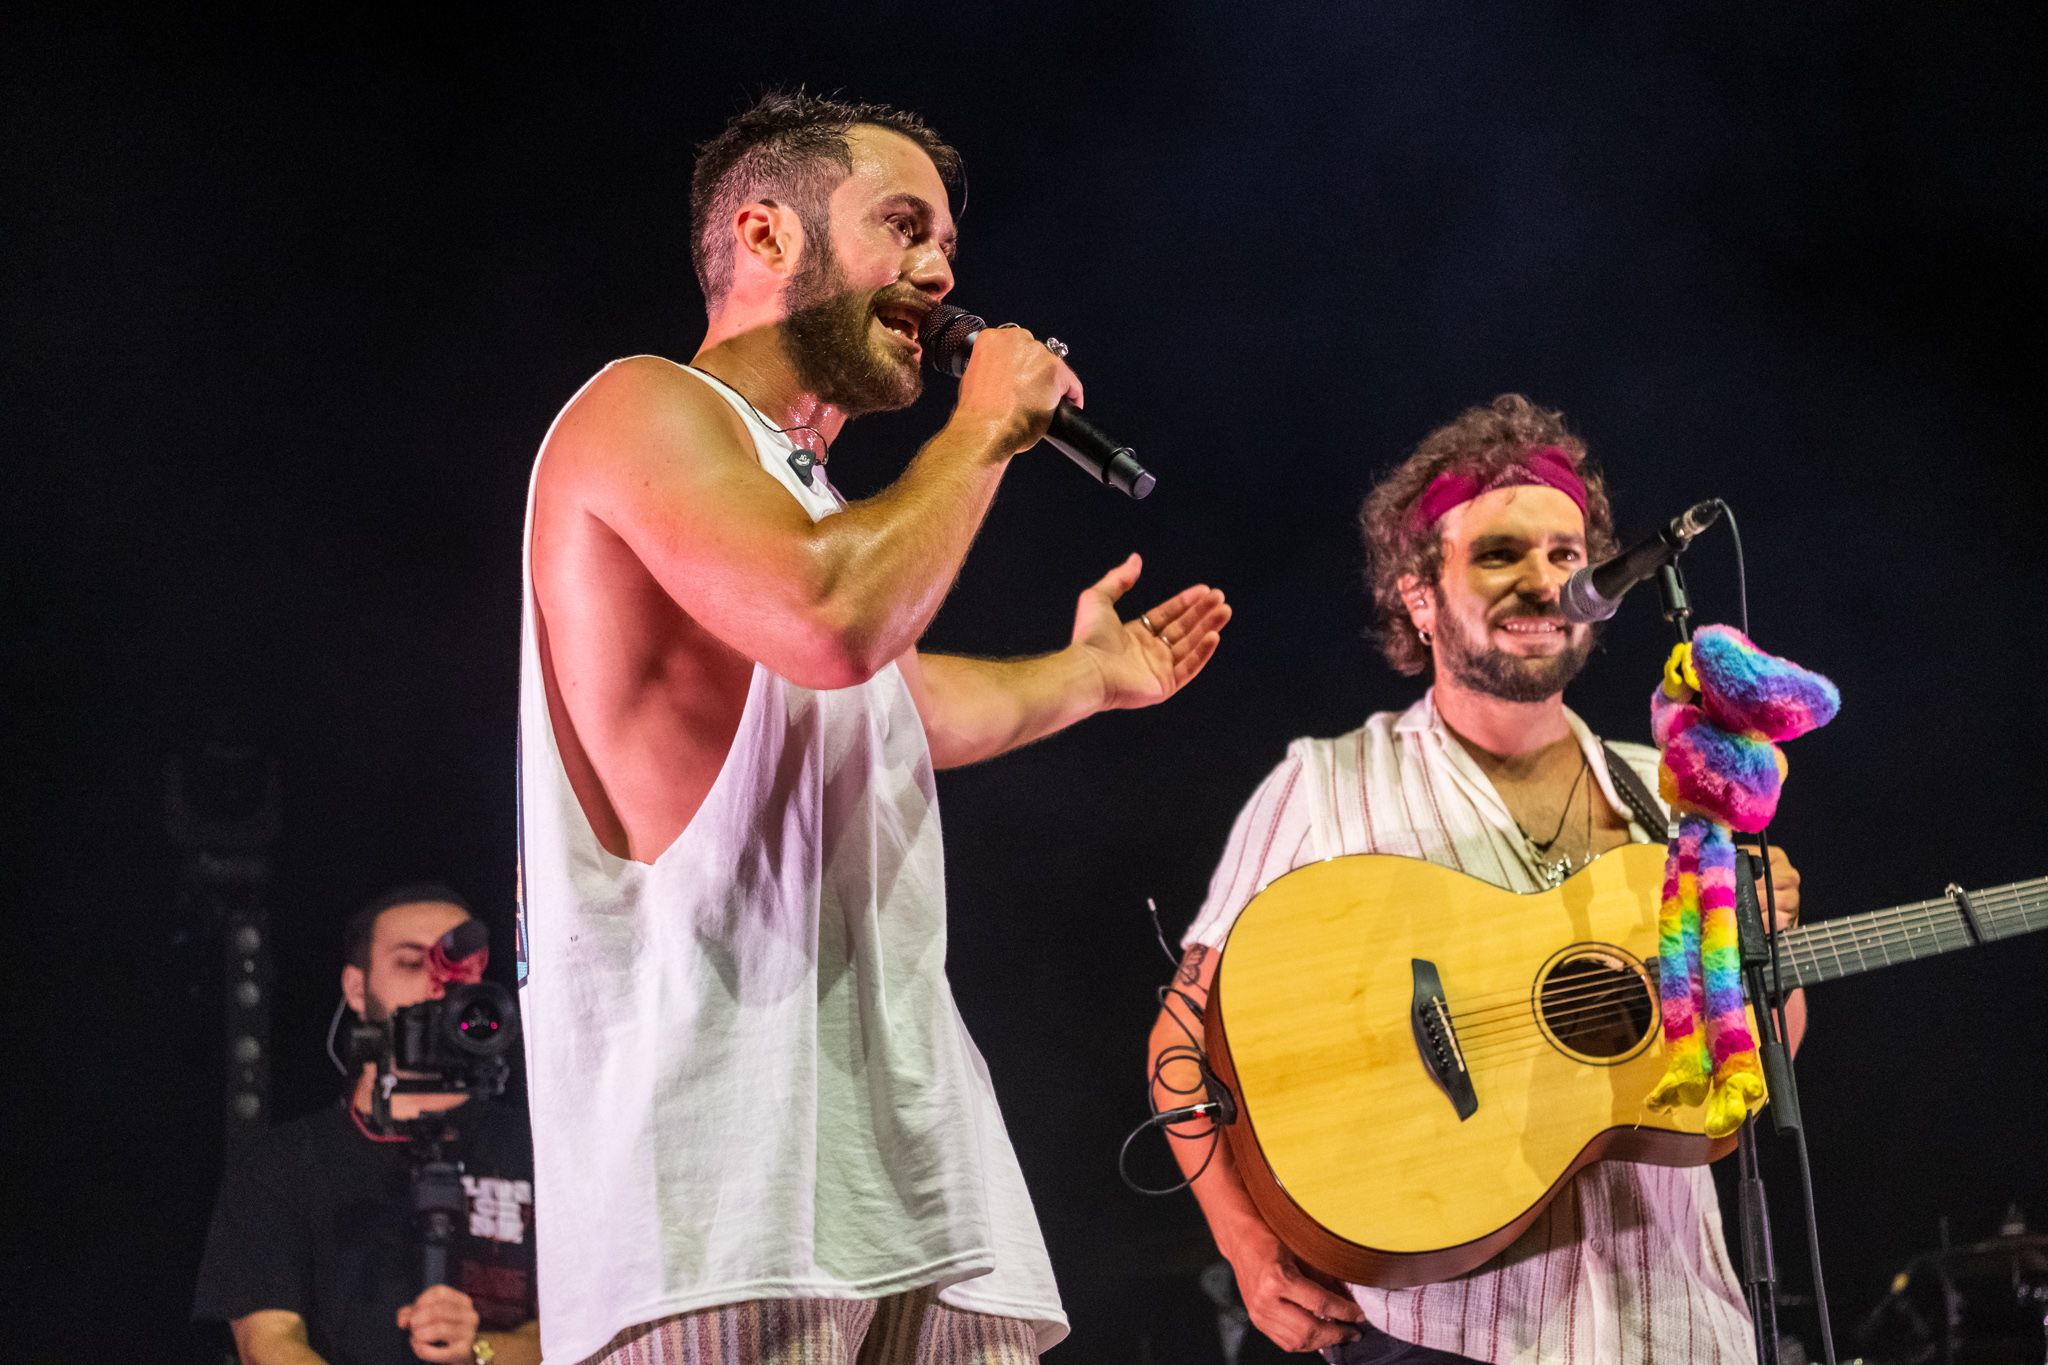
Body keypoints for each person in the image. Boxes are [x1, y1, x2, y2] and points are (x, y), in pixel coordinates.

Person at [516, 91, 1231, 1365]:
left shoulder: (807, 504)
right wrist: (987, 430)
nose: (942, 272)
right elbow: (832, 620)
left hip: (914, 1185)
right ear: (764, 235)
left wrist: (1081, 676)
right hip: (721, 1204)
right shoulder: (642, 409)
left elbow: (883, 699)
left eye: (947, 241)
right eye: (901, 227)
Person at [1148, 395, 1805, 1364]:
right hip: (1439, 1331)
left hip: (1675, 1327)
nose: (1541, 583)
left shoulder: (1675, 801)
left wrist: (1761, 949)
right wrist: (1247, 1250)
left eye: (1564, 557)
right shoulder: (1326, 782)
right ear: (1419, 594)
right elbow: (1181, 1034)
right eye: (1498, 556)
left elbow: (1745, 1075)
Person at [194, 885, 540, 1365]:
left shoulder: (539, 1149)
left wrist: (481, 1352)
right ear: (357, 988)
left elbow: (585, 1329)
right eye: (411, 962)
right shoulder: (283, 1165)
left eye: (459, 966)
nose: (438, 986)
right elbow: (271, 1345)